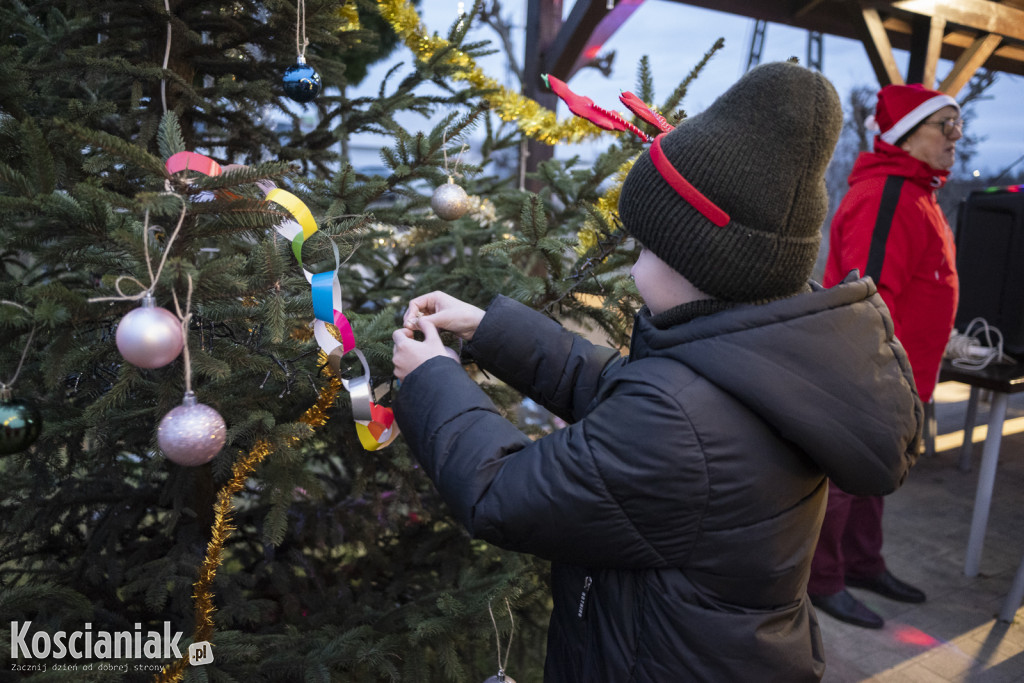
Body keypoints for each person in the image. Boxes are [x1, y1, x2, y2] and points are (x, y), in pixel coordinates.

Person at [391, 62, 923, 682]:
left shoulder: (682, 415)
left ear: (696, 265)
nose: (635, 261)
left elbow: (501, 492)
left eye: (645, 247)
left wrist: (431, 376)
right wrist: (490, 329)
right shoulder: (755, 352)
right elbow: (621, 394)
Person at [808, 83, 962, 629]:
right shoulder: (888, 195)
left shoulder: (918, 192)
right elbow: (865, 294)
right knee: (848, 479)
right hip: (873, 372)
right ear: (905, 133)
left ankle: (862, 563)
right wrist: (872, 375)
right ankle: (823, 579)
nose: (955, 137)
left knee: (877, 474)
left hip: (905, 374)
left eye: (957, 125)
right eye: (944, 125)